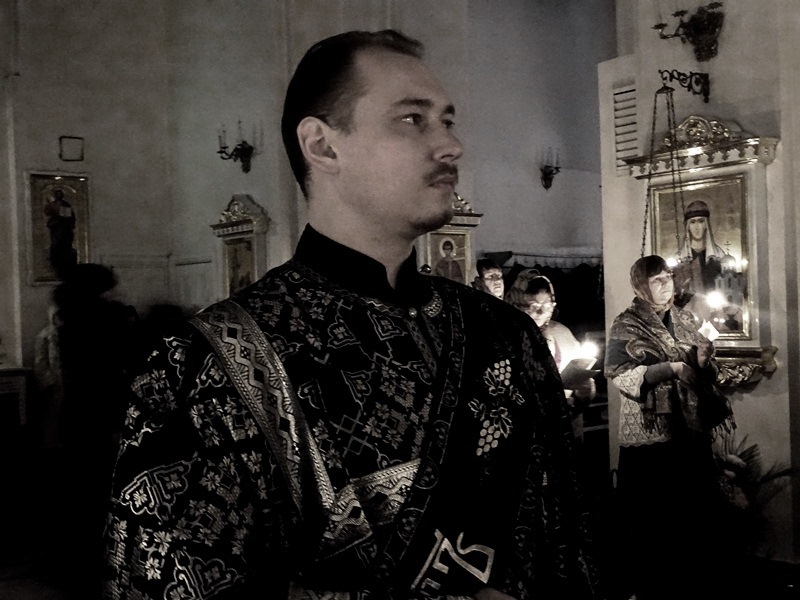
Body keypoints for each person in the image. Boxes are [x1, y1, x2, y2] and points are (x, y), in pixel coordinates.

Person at [104, 30, 600, 599]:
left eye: (447, 121)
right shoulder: (203, 364)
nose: (451, 145)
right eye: (412, 119)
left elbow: (568, 539)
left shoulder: (504, 333)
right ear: (322, 146)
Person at [604, 255, 737, 600]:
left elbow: (704, 372)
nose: (666, 284)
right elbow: (621, 376)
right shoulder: (626, 324)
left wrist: (702, 361)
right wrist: (672, 369)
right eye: (657, 280)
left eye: (668, 277)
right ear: (641, 285)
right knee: (653, 520)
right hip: (651, 436)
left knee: (693, 516)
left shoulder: (686, 319)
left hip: (689, 432)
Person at [49, 263, 138, 599]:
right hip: (103, 411)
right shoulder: (107, 319)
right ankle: (102, 566)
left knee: (77, 490)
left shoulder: (68, 317)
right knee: (101, 489)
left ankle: (73, 566)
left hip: (76, 412)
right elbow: (121, 367)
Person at [505, 269, 596, 439]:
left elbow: (578, 389)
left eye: (547, 306)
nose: (541, 312)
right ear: (518, 303)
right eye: (534, 306)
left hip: (562, 428)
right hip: (524, 430)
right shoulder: (507, 337)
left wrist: (584, 392)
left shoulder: (562, 334)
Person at [672, 198, 728, 320]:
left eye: (701, 221)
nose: (697, 227)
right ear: (688, 226)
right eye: (693, 222)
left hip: (715, 313)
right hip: (688, 314)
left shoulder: (719, 256)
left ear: (706, 225)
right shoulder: (680, 258)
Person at [44, 188, 78, 277]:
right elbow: (47, 212)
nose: (59, 195)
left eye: (60, 194)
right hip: (56, 227)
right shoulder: (52, 204)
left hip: (64, 228)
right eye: (57, 194)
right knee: (56, 244)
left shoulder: (66, 204)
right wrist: (51, 208)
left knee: (64, 245)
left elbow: (68, 216)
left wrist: (60, 213)